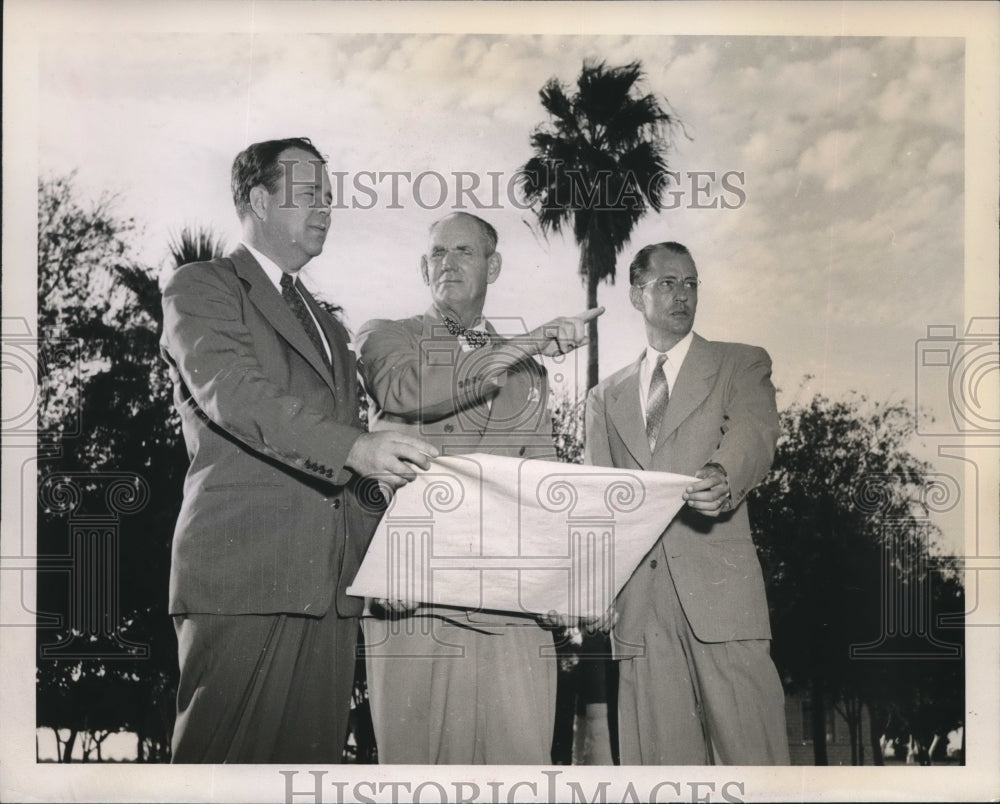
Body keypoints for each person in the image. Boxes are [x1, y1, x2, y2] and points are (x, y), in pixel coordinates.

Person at [160, 137, 437, 763]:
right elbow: (234, 393)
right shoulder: (202, 286)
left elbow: (348, 461)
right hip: (246, 576)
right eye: (310, 194)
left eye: (330, 197)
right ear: (258, 200)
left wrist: (382, 558)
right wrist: (358, 449)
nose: (327, 209)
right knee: (220, 774)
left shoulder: (327, 320)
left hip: (332, 594)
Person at [357, 211, 602, 764]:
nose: (448, 263)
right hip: (413, 598)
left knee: (519, 774)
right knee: (416, 783)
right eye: (438, 253)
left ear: (493, 266)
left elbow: (542, 488)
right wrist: (530, 341)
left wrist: (559, 586)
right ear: (423, 267)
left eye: (464, 252)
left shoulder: (532, 376)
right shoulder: (387, 337)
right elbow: (407, 391)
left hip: (510, 611)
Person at [585, 241, 790, 765]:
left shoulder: (739, 363)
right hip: (639, 611)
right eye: (668, 283)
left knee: (755, 762)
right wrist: (596, 590)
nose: (683, 295)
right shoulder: (604, 397)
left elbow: (755, 431)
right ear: (637, 295)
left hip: (722, 599)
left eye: (692, 284)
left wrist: (724, 474)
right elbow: (599, 504)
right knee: (658, 772)